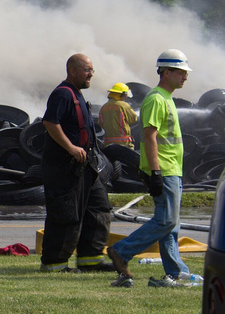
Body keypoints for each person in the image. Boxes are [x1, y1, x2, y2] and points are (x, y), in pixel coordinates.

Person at [107, 49, 194, 288]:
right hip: (163, 170)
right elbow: (150, 136)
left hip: (170, 169)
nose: (185, 77)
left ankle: (175, 273)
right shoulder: (157, 99)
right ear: (166, 72)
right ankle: (121, 251)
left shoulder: (166, 98)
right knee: (166, 221)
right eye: (181, 72)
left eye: (186, 72)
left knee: (170, 224)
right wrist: (155, 172)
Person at [39, 53, 116, 273]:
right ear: (72, 71)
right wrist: (71, 148)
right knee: (66, 213)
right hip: (66, 167)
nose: (91, 74)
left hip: (86, 166)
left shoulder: (77, 94)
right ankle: (54, 264)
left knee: (98, 209)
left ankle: (91, 260)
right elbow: (50, 122)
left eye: (92, 70)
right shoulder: (62, 94)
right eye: (87, 70)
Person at [98, 83, 138, 149]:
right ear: (121, 95)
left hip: (107, 145)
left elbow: (100, 124)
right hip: (123, 144)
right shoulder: (123, 105)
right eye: (125, 95)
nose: (125, 97)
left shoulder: (104, 107)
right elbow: (134, 119)